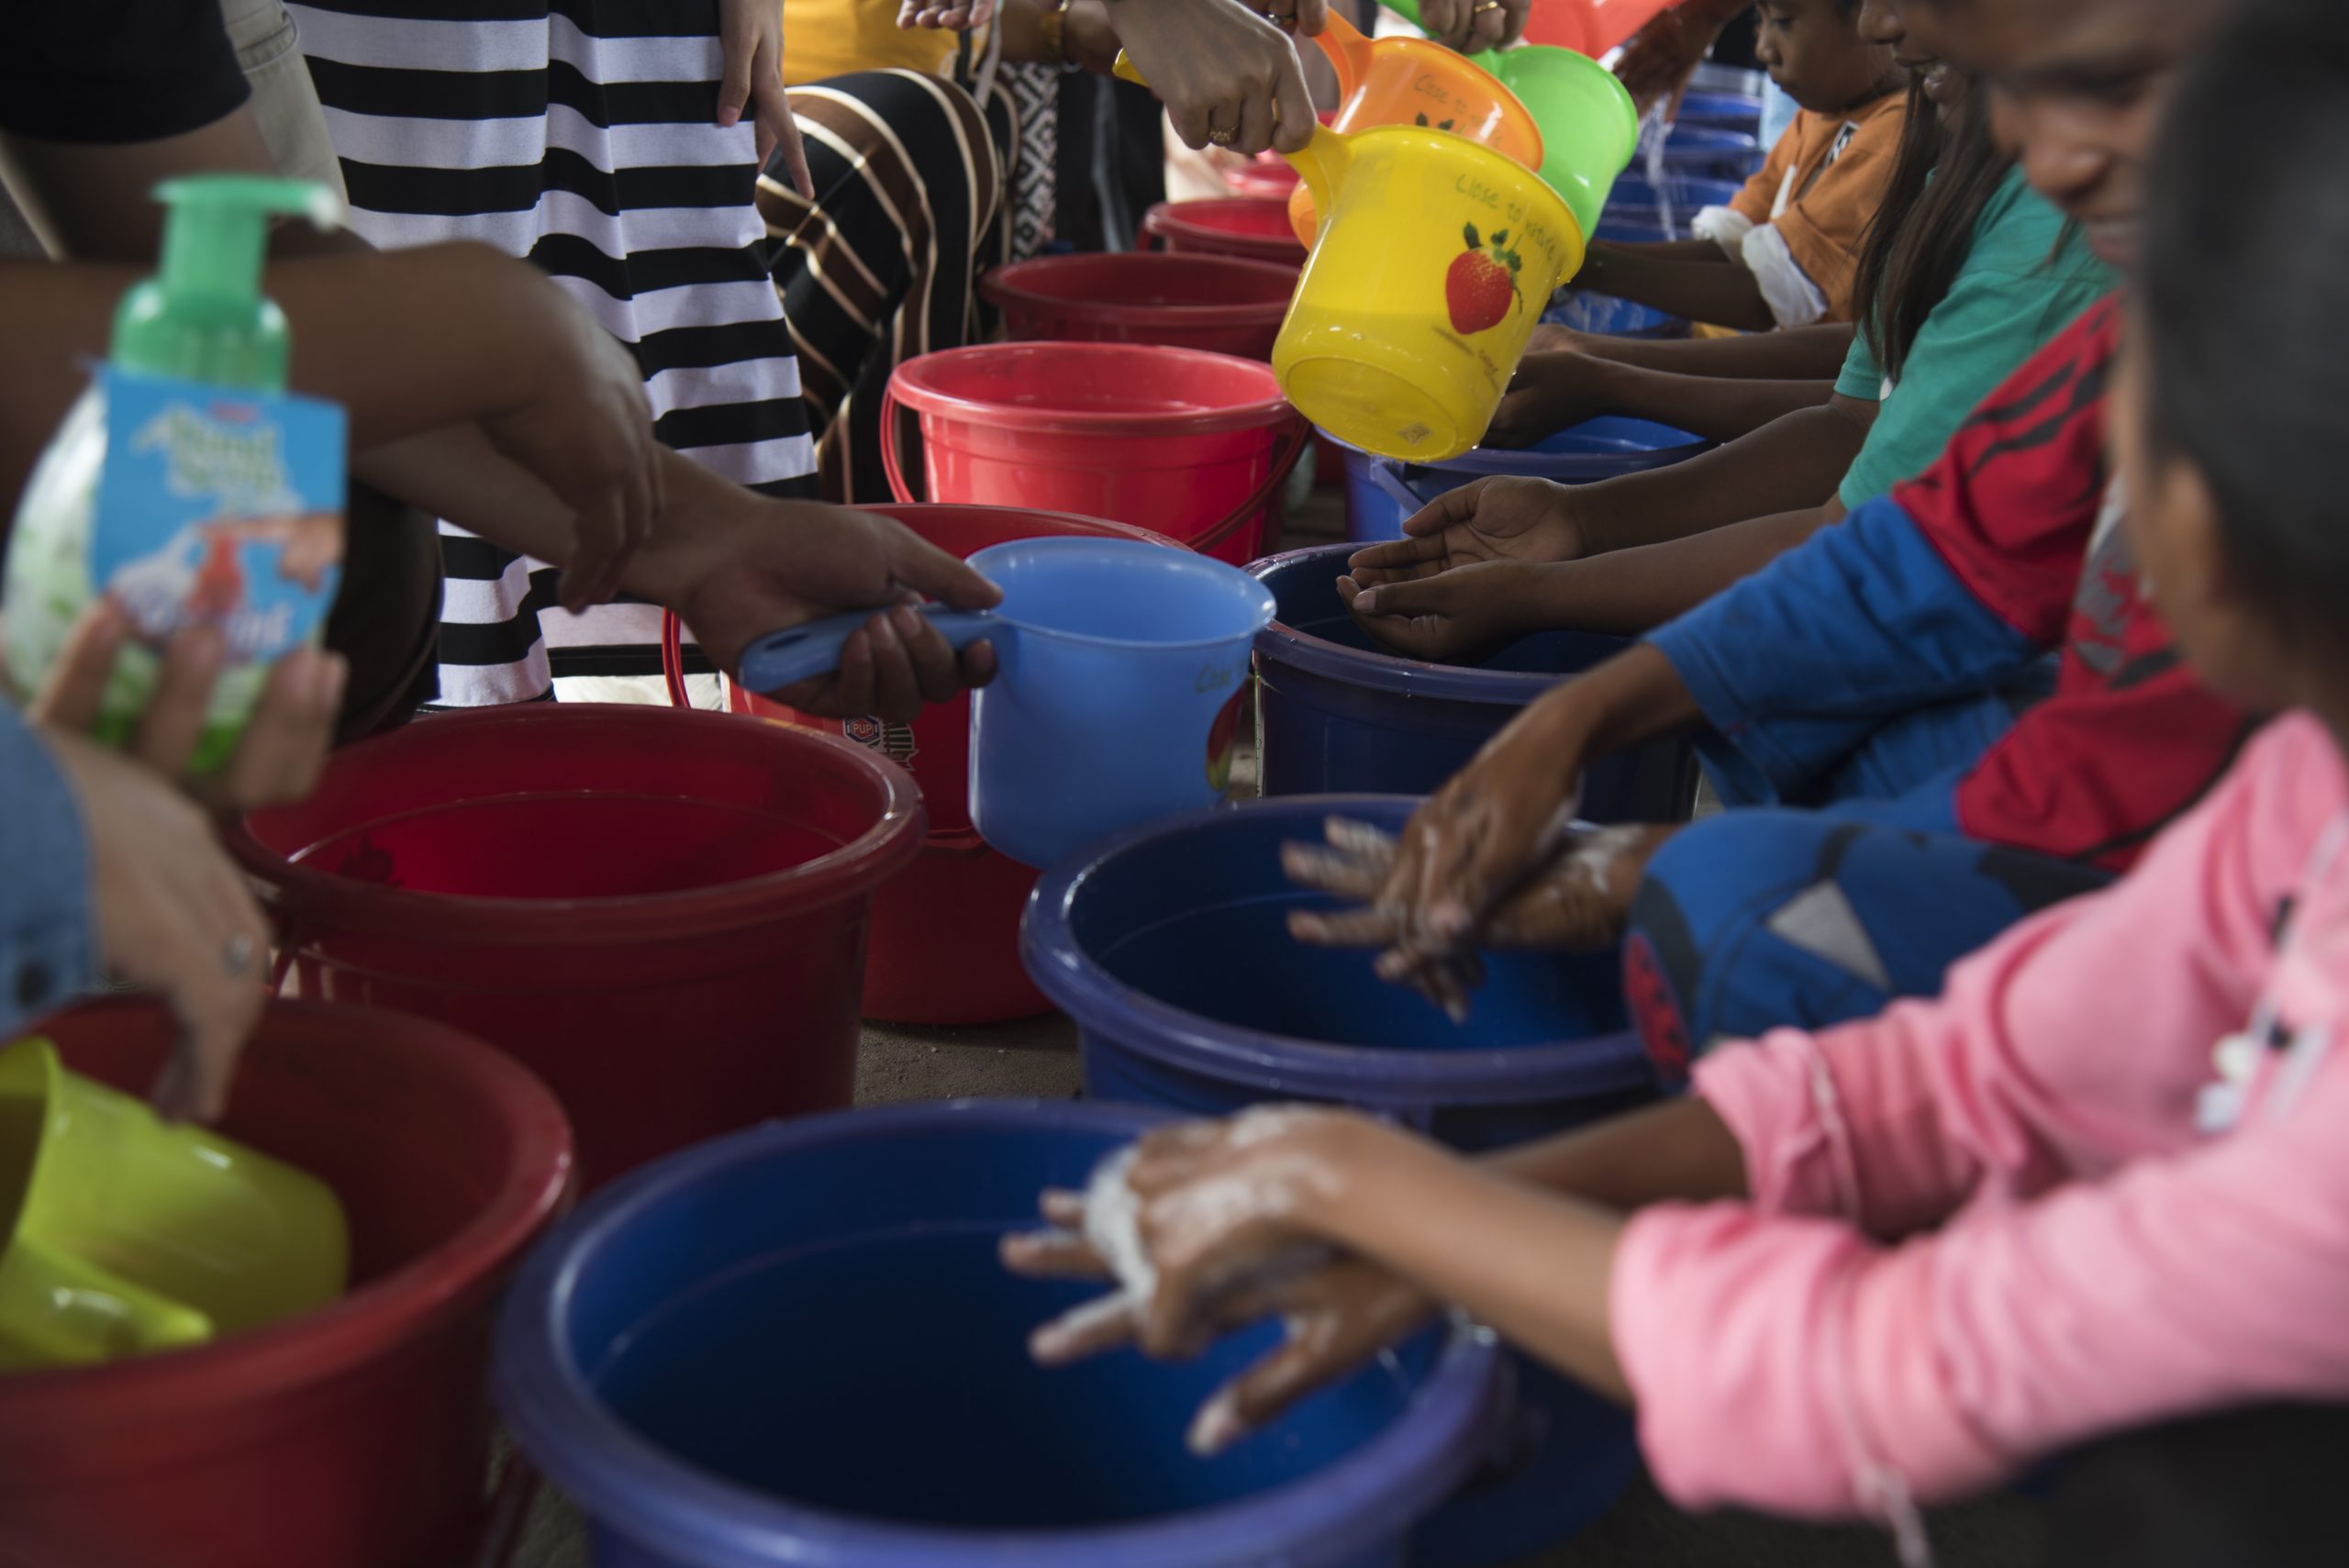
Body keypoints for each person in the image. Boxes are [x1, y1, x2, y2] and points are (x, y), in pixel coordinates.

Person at [1004, 10, 2349, 1553]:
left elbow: (1894, 1364)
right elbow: (1997, 1057)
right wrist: (1453, 1220)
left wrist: (1358, 1174)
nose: (2086, 448)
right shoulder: (2298, 792)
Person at [1281, 0, 2243, 1057]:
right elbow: (1923, 544)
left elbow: (2117, 836)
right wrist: (1577, 704)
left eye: (2097, 83)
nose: (2038, 149)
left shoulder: (2084, 258)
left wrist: (1684, 857)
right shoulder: (2122, 316)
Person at [1347, 0, 2111, 658]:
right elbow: (1853, 417)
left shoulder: (2044, 248)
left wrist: (1546, 602)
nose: (1880, 22)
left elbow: (1861, 539)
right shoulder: (1950, 167)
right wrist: (1574, 520)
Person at [1576, 0, 1908, 332]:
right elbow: (1734, 249)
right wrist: (1588, 255)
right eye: (1757, 23)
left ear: (1876, 16)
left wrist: (1591, 268)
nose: (1763, 48)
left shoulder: (1890, 140)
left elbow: (1765, 299)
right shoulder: (1821, 113)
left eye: (1782, 22)